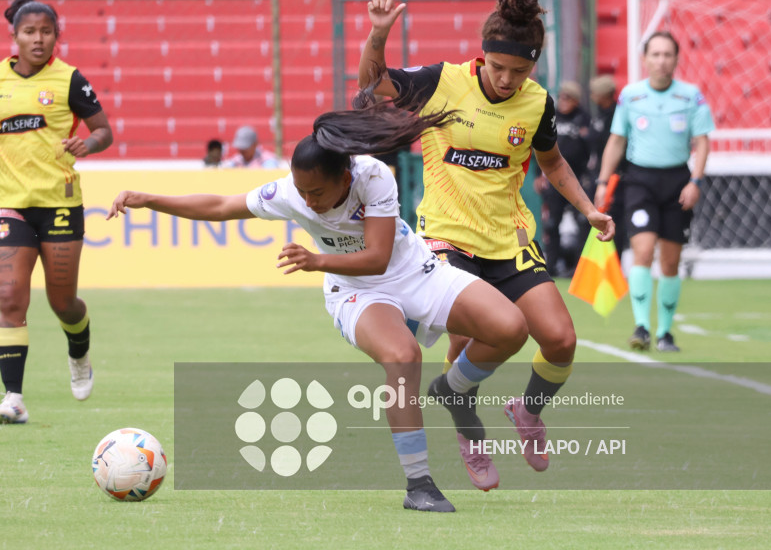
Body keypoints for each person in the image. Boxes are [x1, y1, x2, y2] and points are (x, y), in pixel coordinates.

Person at [108, 85, 531, 513]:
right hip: (355, 292)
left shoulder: (372, 177)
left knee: (511, 328)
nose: (307, 202)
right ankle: (419, 484)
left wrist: (316, 259)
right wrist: (149, 199)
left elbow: (379, 257)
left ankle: (454, 389)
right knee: (402, 358)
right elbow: (220, 204)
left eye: (316, 194)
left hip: (412, 271)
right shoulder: (292, 192)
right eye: (301, 192)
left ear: (345, 178)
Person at [359, 0, 614, 490]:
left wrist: (588, 209)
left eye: (519, 71)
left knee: (561, 340)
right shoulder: (442, 82)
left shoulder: (537, 103)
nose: (506, 79)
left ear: (534, 67)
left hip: (509, 237)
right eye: (498, 68)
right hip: (446, 239)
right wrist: (378, 35)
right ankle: (470, 432)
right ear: (482, 56)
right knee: (466, 345)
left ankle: (527, 410)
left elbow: (553, 163)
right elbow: (375, 83)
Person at [0, 0, 113, 424]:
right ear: (14, 36)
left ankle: (79, 352)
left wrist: (90, 143)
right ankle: (13, 397)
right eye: (29, 31)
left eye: (46, 32)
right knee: (9, 296)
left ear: (56, 36)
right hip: (10, 205)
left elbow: (104, 131)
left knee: (62, 302)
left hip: (61, 205)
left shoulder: (69, 80)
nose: (38, 39)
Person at [594, 31, 713, 353]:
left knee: (671, 263)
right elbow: (617, 140)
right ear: (645, 59)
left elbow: (702, 142)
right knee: (643, 252)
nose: (661, 61)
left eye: (667, 55)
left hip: (677, 182)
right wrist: (603, 182)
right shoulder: (631, 96)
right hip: (640, 181)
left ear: (676, 59)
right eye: (655, 54)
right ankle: (642, 327)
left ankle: (665, 332)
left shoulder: (691, 96)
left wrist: (695, 182)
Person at [538, 80, 590, 277]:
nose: (563, 101)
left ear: (576, 101)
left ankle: (579, 268)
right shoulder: (552, 116)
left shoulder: (584, 118)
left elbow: (592, 150)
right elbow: (539, 147)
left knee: (583, 223)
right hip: (554, 179)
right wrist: (537, 175)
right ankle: (551, 267)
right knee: (552, 223)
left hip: (578, 179)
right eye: (561, 97)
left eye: (568, 98)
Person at [588, 74, 627, 257]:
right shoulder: (598, 115)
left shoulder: (614, 116)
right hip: (599, 174)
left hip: (614, 177)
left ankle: (614, 260)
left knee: (613, 217)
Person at [221, 125, 288, 169]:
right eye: (241, 148)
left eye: (245, 148)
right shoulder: (238, 159)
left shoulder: (267, 160)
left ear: (255, 144)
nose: (242, 151)